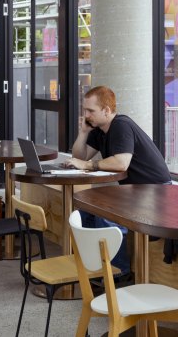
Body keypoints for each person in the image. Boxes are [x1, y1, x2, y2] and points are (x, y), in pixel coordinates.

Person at [64, 86, 172, 279]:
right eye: (85, 110)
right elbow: (78, 157)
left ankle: (118, 272)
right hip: (137, 192)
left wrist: (89, 165)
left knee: (107, 213)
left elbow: (121, 163)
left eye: (91, 111)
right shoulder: (100, 129)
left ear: (106, 110)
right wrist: (83, 132)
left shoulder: (121, 125)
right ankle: (96, 266)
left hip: (157, 194)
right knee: (87, 209)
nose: (86, 115)